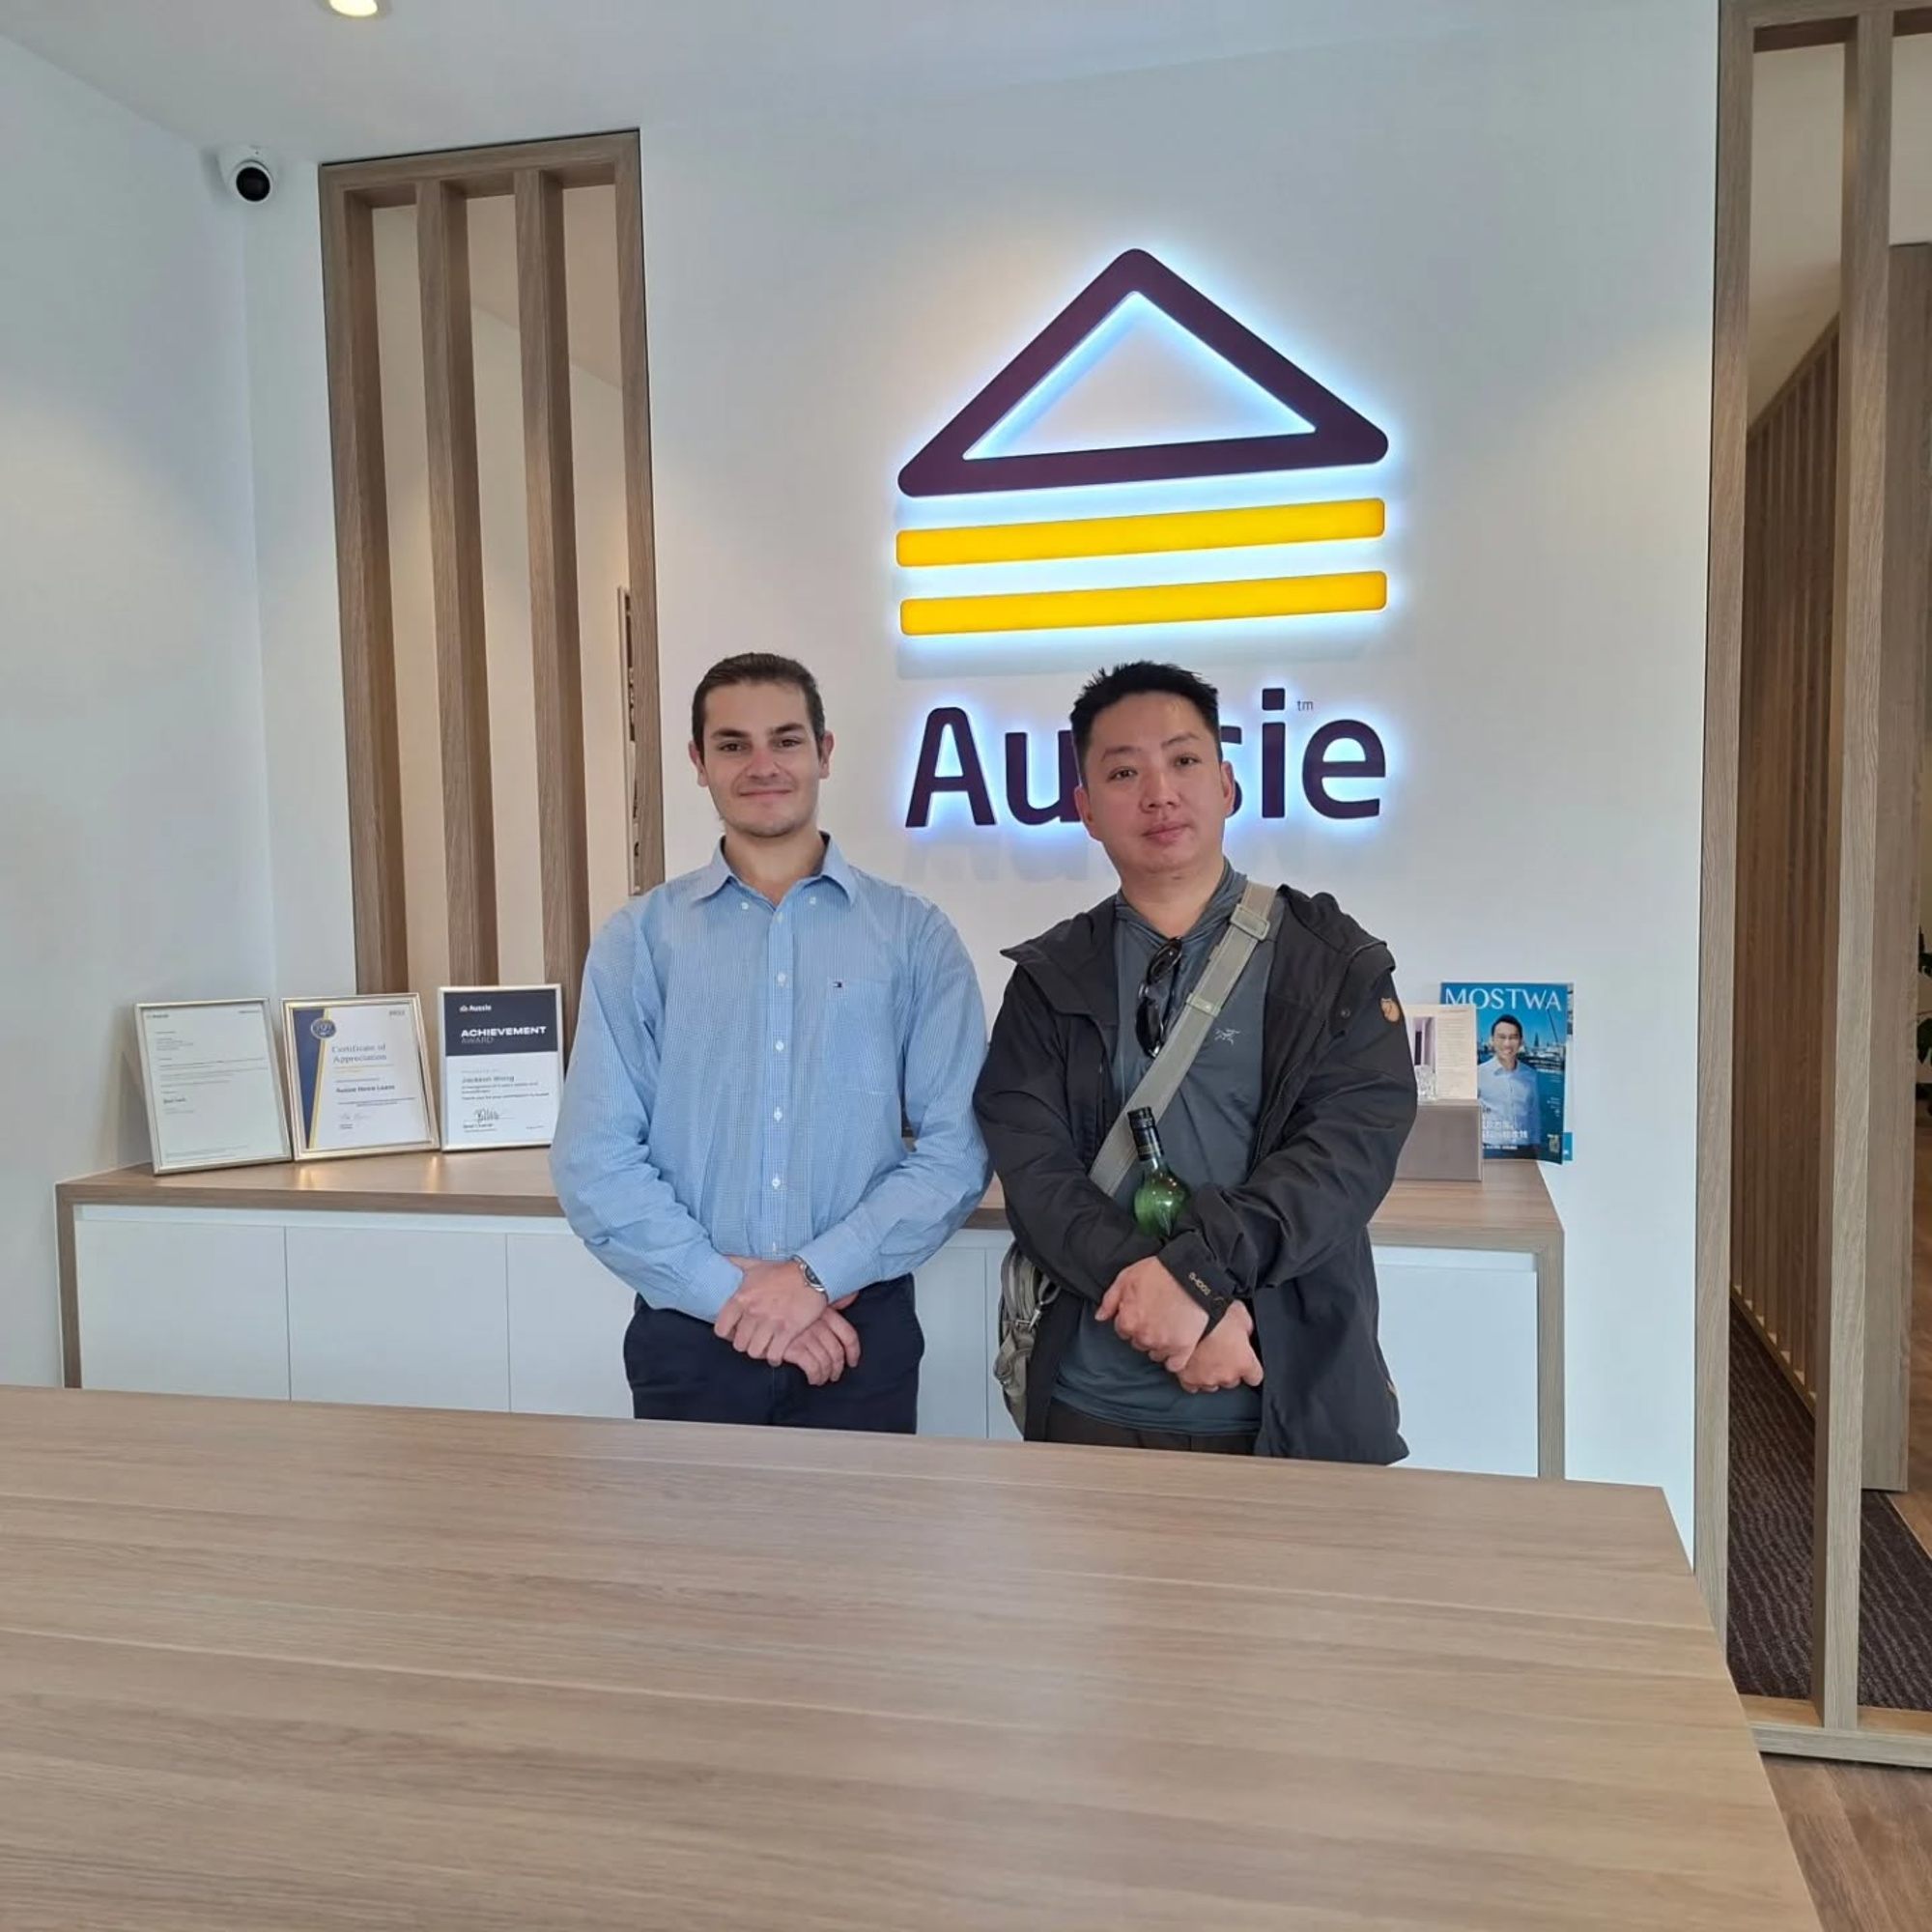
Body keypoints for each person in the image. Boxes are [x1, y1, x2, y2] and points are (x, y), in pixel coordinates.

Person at [974, 661, 1417, 1460]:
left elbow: (1347, 1156)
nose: (1159, 793)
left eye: (1183, 760)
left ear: (1227, 784)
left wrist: (1197, 1281)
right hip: (1092, 1400)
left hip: (1290, 1397)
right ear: (1085, 809)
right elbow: (1037, 1179)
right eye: (1123, 772)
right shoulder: (1050, 978)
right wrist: (1183, 1306)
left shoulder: (1330, 963)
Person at [553, 651, 990, 1432]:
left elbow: (956, 1150)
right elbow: (596, 1157)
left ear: (824, 751)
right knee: (687, 1523)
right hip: (689, 1334)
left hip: (859, 1334)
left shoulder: (913, 935)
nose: (763, 766)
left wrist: (815, 1279)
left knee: (858, 1522)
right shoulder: (640, 941)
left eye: (786, 741)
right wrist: (733, 1295)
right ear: (699, 762)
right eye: (733, 745)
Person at [1476, 1013, 1540, 1153]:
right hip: (1490, 1148)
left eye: (1513, 1037)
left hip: (1524, 1148)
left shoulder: (1530, 1075)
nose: (1507, 1044)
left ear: (1521, 1041)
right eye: (1501, 1037)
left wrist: (1536, 1142)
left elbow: (1533, 1112)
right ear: (1492, 1040)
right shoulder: (1478, 1074)